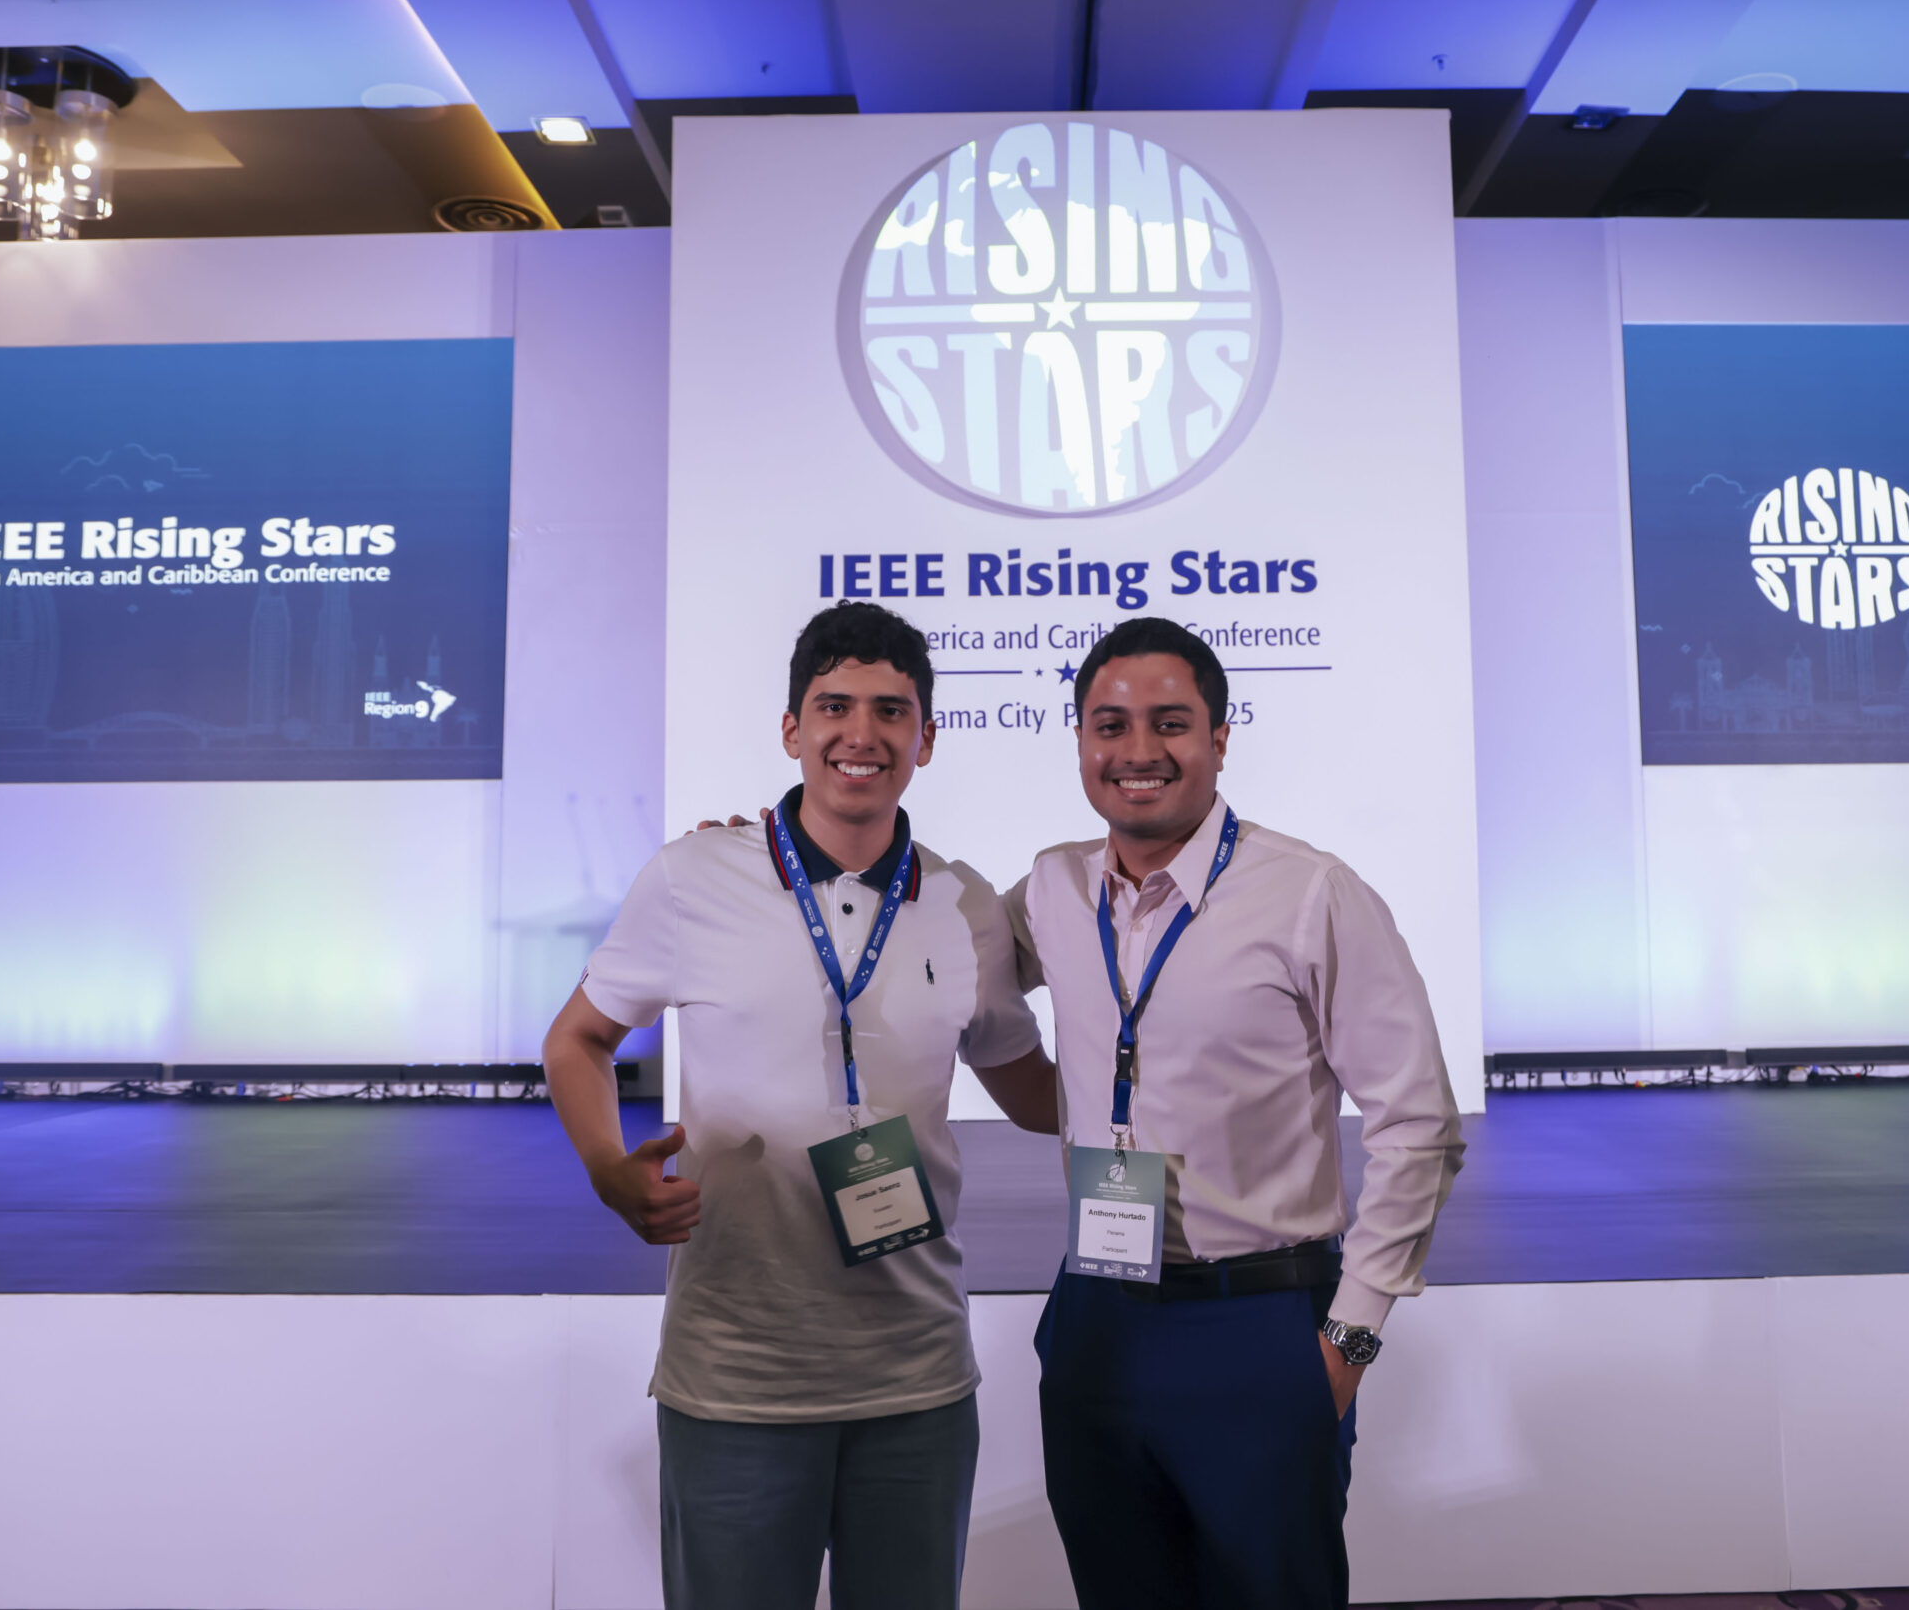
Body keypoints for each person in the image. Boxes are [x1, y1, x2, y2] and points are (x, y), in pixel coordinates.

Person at [541, 600, 1059, 1610]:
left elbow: (1035, 1093)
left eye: (890, 710)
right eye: (833, 706)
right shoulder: (692, 876)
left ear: (926, 738)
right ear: (791, 729)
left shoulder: (965, 907)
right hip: (735, 1377)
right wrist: (607, 1168)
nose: (861, 733)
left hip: (917, 1380)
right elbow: (578, 1039)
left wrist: (1176, 1067)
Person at [1008, 615, 1464, 1610]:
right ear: (1080, 741)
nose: (1138, 750)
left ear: (1219, 738)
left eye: (1170, 723)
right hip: (1096, 1319)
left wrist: (1348, 1343)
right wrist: (754, 862)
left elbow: (1419, 1123)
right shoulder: (1051, 888)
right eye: (1110, 725)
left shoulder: (1310, 895)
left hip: (1258, 1322)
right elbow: (925, 953)